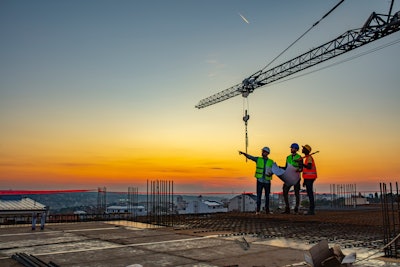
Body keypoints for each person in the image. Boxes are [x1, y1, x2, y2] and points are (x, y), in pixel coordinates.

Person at [239, 147, 274, 214]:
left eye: (264, 151)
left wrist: (271, 174)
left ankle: (267, 210)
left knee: (267, 196)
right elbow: (250, 157)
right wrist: (244, 154)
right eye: (262, 151)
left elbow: (274, 170)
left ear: (267, 153)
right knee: (259, 196)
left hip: (267, 181)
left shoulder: (271, 162)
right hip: (260, 180)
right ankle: (258, 210)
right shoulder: (258, 159)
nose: (262, 152)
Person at [281, 143, 303, 214]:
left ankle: (296, 208)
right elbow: (286, 167)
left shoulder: (299, 157)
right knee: (284, 191)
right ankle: (287, 208)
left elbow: (301, 168)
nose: (291, 149)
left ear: (296, 149)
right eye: (291, 148)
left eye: (292, 148)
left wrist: (298, 170)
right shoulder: (288, 157)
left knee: (297, 193)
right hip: (289, 177)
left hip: (296, 177)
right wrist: (280, 168)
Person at [302, 144, 317, 215]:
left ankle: (311, 210)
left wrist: (302, 164)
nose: (302, 149)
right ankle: (311, 209)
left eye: (303, 148)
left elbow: (309, 167)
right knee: (309, 193)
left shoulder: (309, 158)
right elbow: (306, 170)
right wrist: (304, 180)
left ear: (306, 150)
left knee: (310, 193)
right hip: (308, 178)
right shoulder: (307, 158)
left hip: (310, 178)